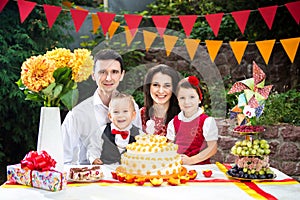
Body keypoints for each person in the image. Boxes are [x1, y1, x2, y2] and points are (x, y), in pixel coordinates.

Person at [62, 49, 142, 165]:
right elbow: (64, 158)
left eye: (114, 72)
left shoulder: (133, 107)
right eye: (102, 72)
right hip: (89, 177)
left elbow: (138, 142)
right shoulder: (78, 113)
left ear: (122, 75)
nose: (108, 78)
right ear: (93, 75)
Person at [166, 76, 218, 165]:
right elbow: (169, 146)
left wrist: (191, 160)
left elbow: (212, 148)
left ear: (199, 99)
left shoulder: (206, 121)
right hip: (178, 166)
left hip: (200, 168)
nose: (187, 102)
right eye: (182, 98)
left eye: (192, 97)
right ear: (178, 100)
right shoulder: (174, 122)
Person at [87, 92, 141, 165]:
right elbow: (94, 147)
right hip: (106, 169)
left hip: (130, 171)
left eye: (125, 111)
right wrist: (94, 158)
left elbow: (145, 150)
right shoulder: (102, 131)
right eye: (116, 112)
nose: (120, 115)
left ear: (133, 115)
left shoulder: (139, 134)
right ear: (110, 116)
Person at [140, 64, 180, 136]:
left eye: (167, 86)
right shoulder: (139, 115)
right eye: (156, 85)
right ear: (149, 87)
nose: (161, 91)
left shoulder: (182, 117)